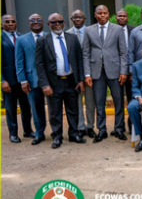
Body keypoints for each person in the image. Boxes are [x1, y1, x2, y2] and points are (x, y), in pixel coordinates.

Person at [35, 13, 86, 149]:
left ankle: (74, 134)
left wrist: (80, 80)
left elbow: (79, 60)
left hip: (71, 81)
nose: (57, 24)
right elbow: (39, 65)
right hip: (53, 82)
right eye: (53, 22)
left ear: (64, 23)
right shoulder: (42, 41)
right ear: (48, 24)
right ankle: (57, 136)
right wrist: (45, 84)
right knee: (54, 112)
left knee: (73, 110)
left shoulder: (72, 38)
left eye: (60, 21)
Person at [81, 5, 128, 143]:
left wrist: (123, 71)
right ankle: (102, 130)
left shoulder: (118, 29)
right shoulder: (89, 30)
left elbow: (123, 52)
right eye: (99, 13)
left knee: (118, 102)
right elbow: (85, 53)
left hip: (115, 71)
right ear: (95, 15)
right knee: (99, 102)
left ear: (109, 14)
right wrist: (87, 74)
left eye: (105, 13)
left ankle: (119, 128)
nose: (102, 15)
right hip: (96, 72)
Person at [15, 13, 47, 145]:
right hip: (31, 79)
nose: (35, 22)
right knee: (36, 108)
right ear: (28, 23)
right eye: (32, 20)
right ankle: (39, 133)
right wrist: (22, 80)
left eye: (38, 19)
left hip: (50, 79)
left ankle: (57, 132)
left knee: (54, 108)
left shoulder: (49, 37)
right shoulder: (21, 40)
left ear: (43, 22)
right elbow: (19, 61)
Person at [2, 14, 34, 143]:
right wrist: (2, 80)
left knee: (26, 106)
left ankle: (28, 130)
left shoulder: (22, 37)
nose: (10, 24)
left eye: (13, 21)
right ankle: (13, 133)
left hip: (23, 80)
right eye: (7, 22)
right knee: (11, 108)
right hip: (8, 81)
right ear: (2, 24)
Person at [66, 9, 95, 139]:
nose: (77, 20)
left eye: (80, 17)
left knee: (90, 102)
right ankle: (80, 127)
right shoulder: (66, 34)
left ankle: (90, 126)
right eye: (75, 18)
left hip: (91, 73)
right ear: (71, 20)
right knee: (77, 102)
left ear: (85, 19)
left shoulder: (92, 31)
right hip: (74, 75)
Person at [116, 9, 135, 134]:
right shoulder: (111, 30)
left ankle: (132, 126)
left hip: (131, 72)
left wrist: (132, 71)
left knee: (131, 99)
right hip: (116, 71)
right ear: (116, 17)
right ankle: (119, 127)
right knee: (118, 101)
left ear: (127, 17)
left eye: (124, 16)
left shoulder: (133, 30)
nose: (122, 18)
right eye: (120, 16)